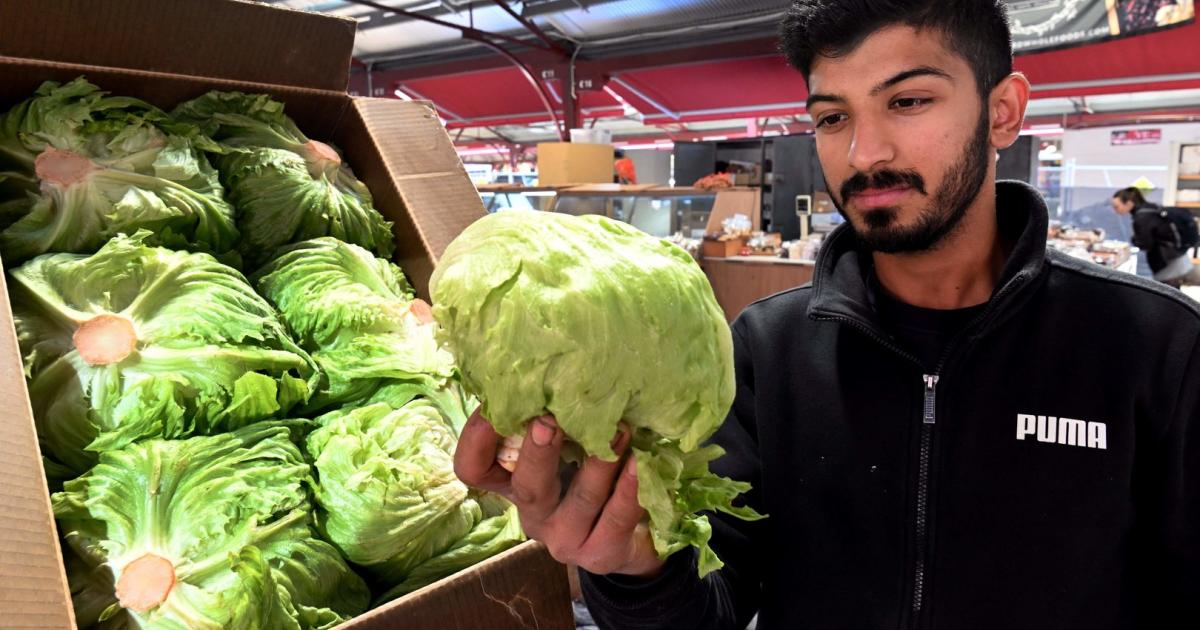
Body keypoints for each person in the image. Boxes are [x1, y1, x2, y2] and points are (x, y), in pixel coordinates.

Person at [453, 1, 1200, 628]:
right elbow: (710, 610)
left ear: (1003, 112)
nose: (864, 151)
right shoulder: (766, 349)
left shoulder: (1154, 345)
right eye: (833, 116)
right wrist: (633, 570)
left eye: (908, 102)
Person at [1112, 186, 1200, 288]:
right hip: (1178, 258)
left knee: (1167, 295)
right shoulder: (1152, 208)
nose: (1115, 211)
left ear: (1129, 203)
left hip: (1167, 264)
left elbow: (1145, 244)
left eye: (1116, 207)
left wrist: (1134, 239)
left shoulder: (1142, 217)